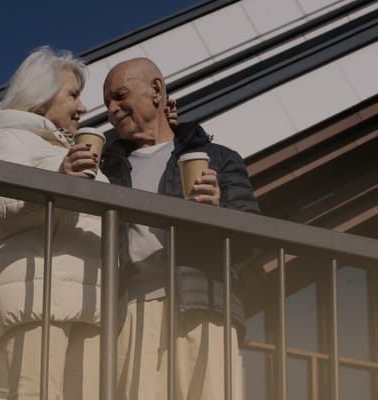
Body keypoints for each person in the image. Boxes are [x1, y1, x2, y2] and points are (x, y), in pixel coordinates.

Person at [0, 47, 176, 400]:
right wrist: (59, 180)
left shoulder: (74, 150)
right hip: (38, 300)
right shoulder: (10, 139)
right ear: (40, 100)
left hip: (91, 304)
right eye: (73, 95)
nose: (83, 107)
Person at [99, 58, 259, 400]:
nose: (111, 109)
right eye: (107, 104)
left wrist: (216, 211)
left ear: (156, 91)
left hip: (205, 304)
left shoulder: (218, 157)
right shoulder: (107, 169)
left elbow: (250, 239)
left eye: (120, 95)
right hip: (130, 312)